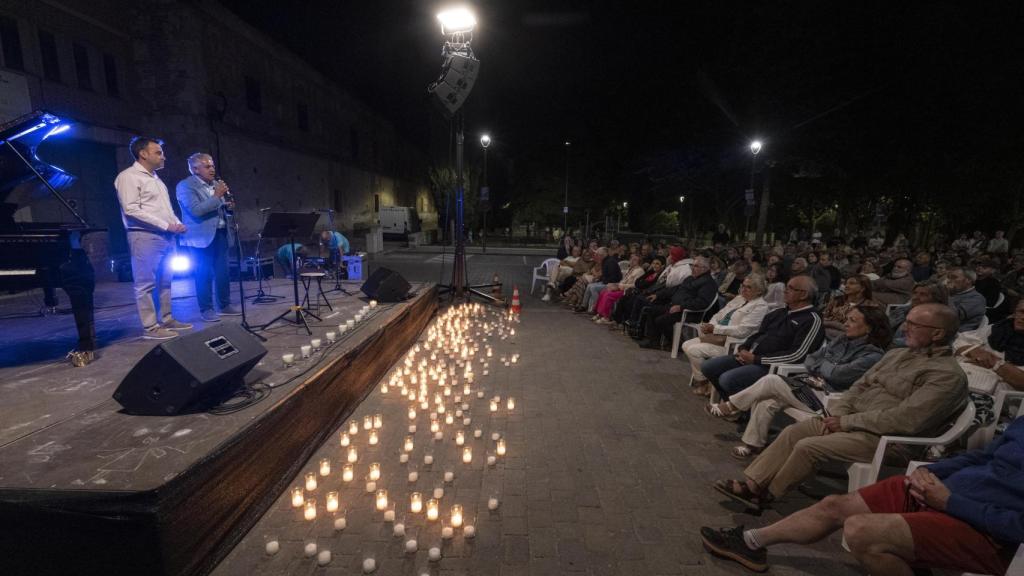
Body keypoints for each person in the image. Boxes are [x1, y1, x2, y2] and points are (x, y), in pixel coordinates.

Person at [712, 303, 968, 510]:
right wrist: (840, 413)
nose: (904, 328)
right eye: (907, 321)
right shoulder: (897, 355)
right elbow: (859, 386)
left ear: (938, 333)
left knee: (808, 447)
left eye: (914, 324)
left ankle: (767, 495)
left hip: (888, 440)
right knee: (793, 432)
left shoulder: (946, 374)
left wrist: (846, 422)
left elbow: (907, 420)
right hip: (852, 422)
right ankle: (753, 485)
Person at [700, 414, 1024, 575]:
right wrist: (933, 472)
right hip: (945, 493)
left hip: (987, 530)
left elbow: (1017, 526)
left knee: (860, 531)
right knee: (835, 505)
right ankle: (751, 543)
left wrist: (950, 501)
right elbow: (984, 456)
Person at [707, 305, 890, 458]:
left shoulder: (871, 355)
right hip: (810, 388)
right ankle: (753, 445)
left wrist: (823, 366)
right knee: (768, 399)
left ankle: (731, 406)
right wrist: (825, 366)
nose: (846, 324)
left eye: (852, 321)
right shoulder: (842, 340)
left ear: (869, 328)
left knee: (771, 381)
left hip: (831, 402)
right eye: (847, 319)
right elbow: (811, 359)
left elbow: (838, 375)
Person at [114, 137, 193, 340]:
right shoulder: (129, 177)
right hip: (144, 236)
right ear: (143, 154)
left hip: (166, 236)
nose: (163, 156)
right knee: (145, 284)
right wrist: (167, 225)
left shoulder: (156, 178)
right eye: (158, 152)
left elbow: (165, 209)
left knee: (166, 281)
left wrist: (176, 222)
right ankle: (150, 328)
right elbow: (131, 209)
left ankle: (167, 319)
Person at [700, 275, 824, 399]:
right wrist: (743, 349)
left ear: (803, 295)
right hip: (752, 357)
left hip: (773, 367)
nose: (785, 291)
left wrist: (756, 359)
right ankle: (734, 404)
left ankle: (739, 409)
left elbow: (797, 355)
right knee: (708, 367)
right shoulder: (779, 312)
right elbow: (757, 335)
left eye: (790, 288)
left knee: (726, 379)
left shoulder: (811, 320)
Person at [175, 152, 240, 322]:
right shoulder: (185, 186)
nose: (212, 169)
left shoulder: (216, 184)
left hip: (221, 233)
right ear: (195, 169)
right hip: (200, 238)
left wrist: (228, 206)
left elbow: (221, 206)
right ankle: (206, 309)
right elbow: (196, 210)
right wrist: (217, 196)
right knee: (203, 273)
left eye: (212, 165)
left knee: (223, 272)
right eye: (207, 166)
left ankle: (224, 305)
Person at [682, 274, 770, 397]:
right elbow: (719, 315)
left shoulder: (760, 306)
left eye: (748, 287)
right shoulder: (739, 299)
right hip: (717, 337)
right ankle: (704, 380)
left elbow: (742, 331)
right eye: (743, 285)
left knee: (694, 350)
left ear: (759, 291)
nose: (743, 289)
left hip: (733, 344)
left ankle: (703, 382)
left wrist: (716, 329)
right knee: (686, 344)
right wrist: (711, 327)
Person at [637, 256, 717, 349]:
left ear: (704, 268)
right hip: (675, 307)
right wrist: (658, 295)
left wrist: (681, 307)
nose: (692, 268)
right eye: (692, 266)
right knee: (651, 310)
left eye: (695, 266)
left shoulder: (708, 283)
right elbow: (675, 289)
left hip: (689, 312)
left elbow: (701, 302)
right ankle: (653, 341)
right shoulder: (691, 278)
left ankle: (676, 344)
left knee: (661, 320)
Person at [889, 281, 949, 347]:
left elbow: (919, 341)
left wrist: (887, 343)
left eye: (923, 294)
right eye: (915, 293)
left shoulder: (939, 319)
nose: (915, 297)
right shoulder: (902, 310)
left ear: (936, 299)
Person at [821, 274, 878, 340]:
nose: (846, 286)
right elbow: (824, 316)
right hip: (826, 330)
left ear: (863, 288)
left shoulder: (870, 305)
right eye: (846, 283)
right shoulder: (836, 300)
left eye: (852, 283)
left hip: (849, 337)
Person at [592, 254, 645, 323]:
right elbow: (623, 280)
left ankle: (606, 317)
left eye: (635, 260)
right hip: (621, 287)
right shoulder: (631, 269)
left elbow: (635, 285)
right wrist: (615, 284)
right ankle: (600, 313)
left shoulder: (640, 271)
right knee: (604, 291)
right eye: (631, 259)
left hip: (627, 291)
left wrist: (620, 286)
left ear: (639, 262)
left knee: (608, 295)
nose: (631, 261)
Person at [945, 266, 988, 332]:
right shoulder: (956, 293)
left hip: (958, 334)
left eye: (954, 277)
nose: (948, 281)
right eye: (949, 278)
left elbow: (954, 316)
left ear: (968, 280)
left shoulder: (977, 299)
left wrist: (947, 294)